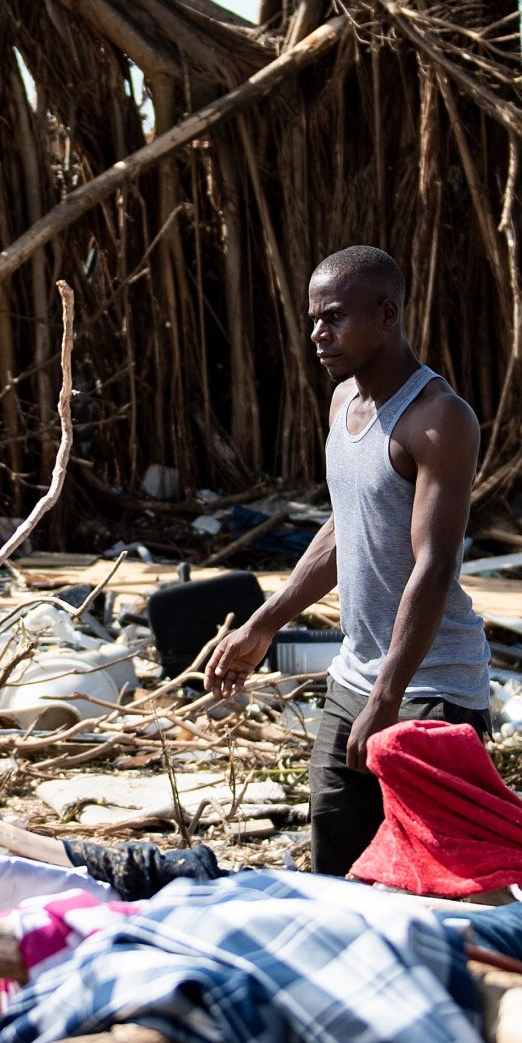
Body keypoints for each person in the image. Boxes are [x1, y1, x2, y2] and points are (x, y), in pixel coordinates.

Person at [206, 246, 490, 875]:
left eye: (333, 318)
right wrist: (264, 622)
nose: (317, 334)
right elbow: (345, 530)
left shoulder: (438, 419)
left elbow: (434, 565)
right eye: (313, 319)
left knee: (435, 882)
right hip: (355, 678)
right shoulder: (342, 404)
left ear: (387, 314)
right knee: (338, 869)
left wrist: (388, 699)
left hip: (433, 688)